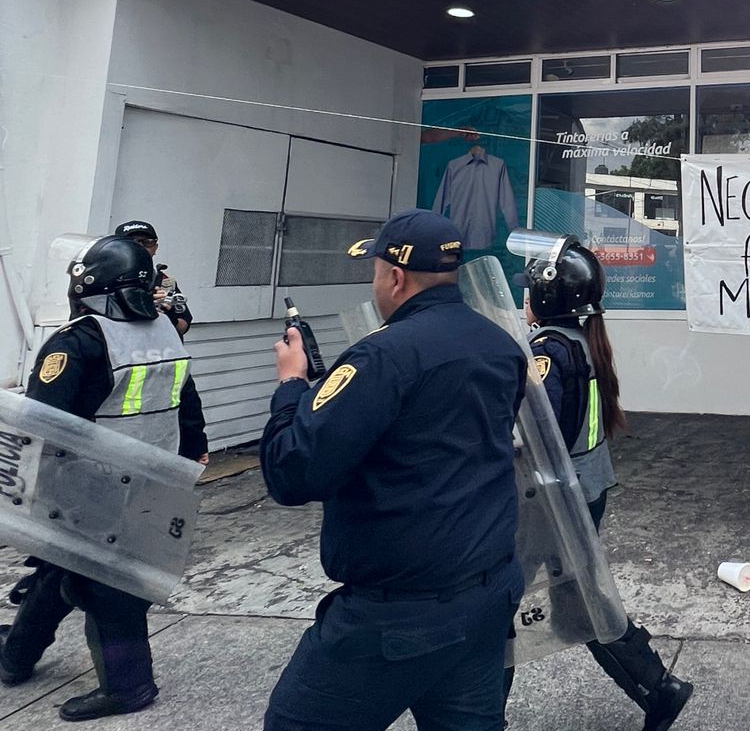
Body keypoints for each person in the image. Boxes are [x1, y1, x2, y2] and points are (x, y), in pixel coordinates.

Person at [260, 209, 527, 731]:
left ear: (396, 277)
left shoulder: (381, 356)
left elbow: (293, 473)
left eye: (376, 271)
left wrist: (291, 386)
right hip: (486, 593)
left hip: (398, 615)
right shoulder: (500, 345)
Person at [0, 234, 203, 720]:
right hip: (154, 480)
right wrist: (195, 449)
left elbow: (41, 422)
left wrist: (27, 489)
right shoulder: (165, 331)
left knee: (111, 591)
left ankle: (130, 686)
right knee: (59, 568)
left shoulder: (80, 341)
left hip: (91, 487)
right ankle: (15, 658)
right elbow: (185, 396)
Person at [512, 235, 692, 731]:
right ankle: (659, 688)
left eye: (529, 289)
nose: (524, 298)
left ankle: (478, 718)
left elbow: (533, 431)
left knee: (500, 604)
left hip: (550, 500)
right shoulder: (581, 343)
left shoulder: (548, 352)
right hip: (581, 490)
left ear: (548, 297)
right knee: (579, 605)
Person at [111, 220, 208, 466]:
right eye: (133, 243)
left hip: (161, 364)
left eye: (147, 242)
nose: (141, 248)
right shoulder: (106, 278)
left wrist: (164, 315)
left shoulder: (165, 282)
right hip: (120, 365)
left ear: (155, 248)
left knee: (184, 408)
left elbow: (183, 324)